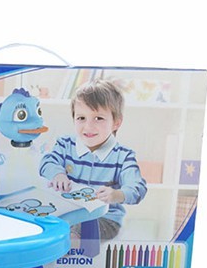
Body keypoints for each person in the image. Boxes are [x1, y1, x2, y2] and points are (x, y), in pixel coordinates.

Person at [39, 80, 147, 241]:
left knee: (75, 232)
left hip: (105, 219)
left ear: (116, 123)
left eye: (98, 118)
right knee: (42, 224)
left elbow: (137, 188)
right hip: (68, 213)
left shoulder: (124, 156)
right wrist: (58, 174)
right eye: (81, 118)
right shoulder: (65, 144)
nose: (88, 126)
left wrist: (117, 195)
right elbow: (47, 162)